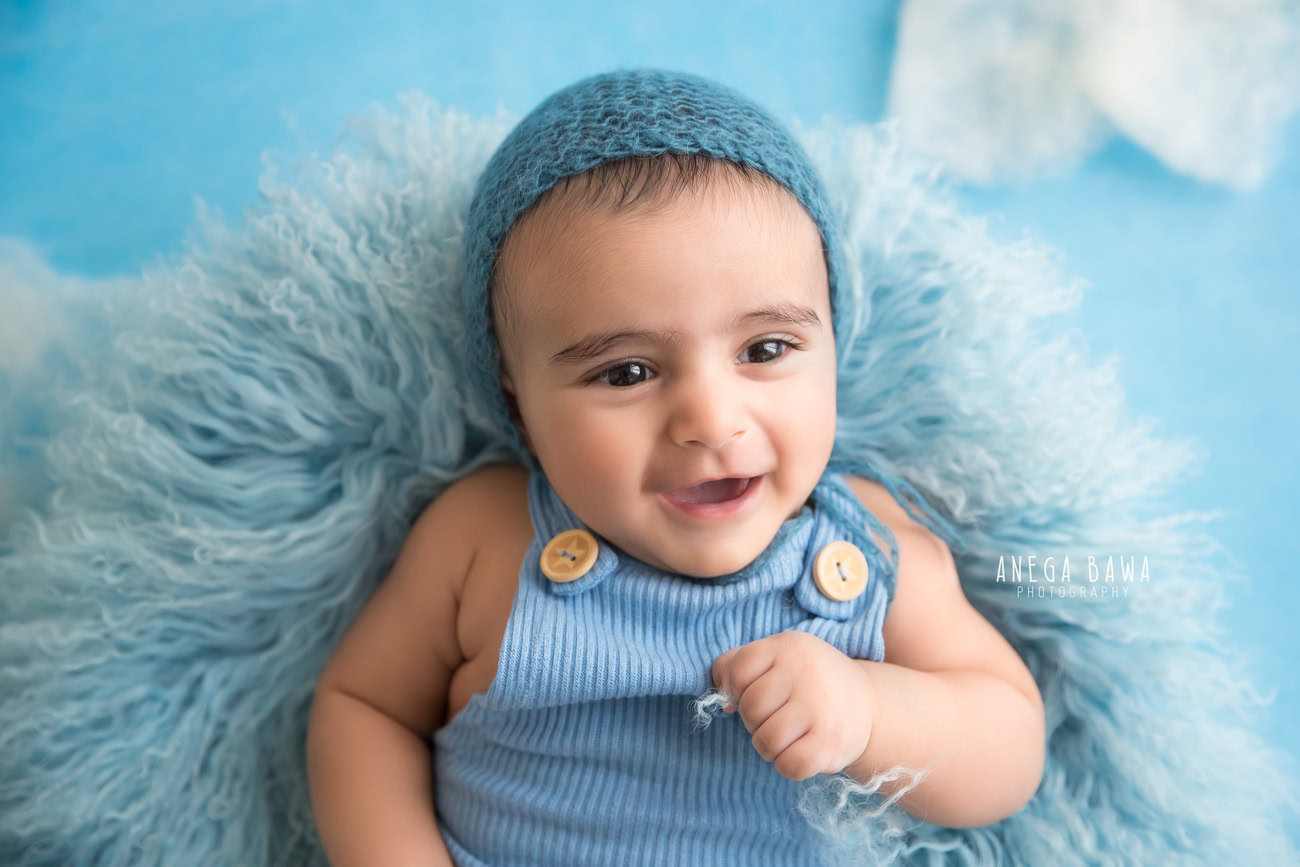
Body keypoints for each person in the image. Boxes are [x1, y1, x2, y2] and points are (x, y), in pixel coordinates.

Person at [305, 67, 1045, 866]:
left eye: (765, 349)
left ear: (834, 343)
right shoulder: (485, 535)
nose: (710, 421)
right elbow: (365, 707)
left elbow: (1007, 747)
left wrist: (869, 710)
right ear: (518, 402)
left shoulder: (866, 549)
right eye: (626, 372)